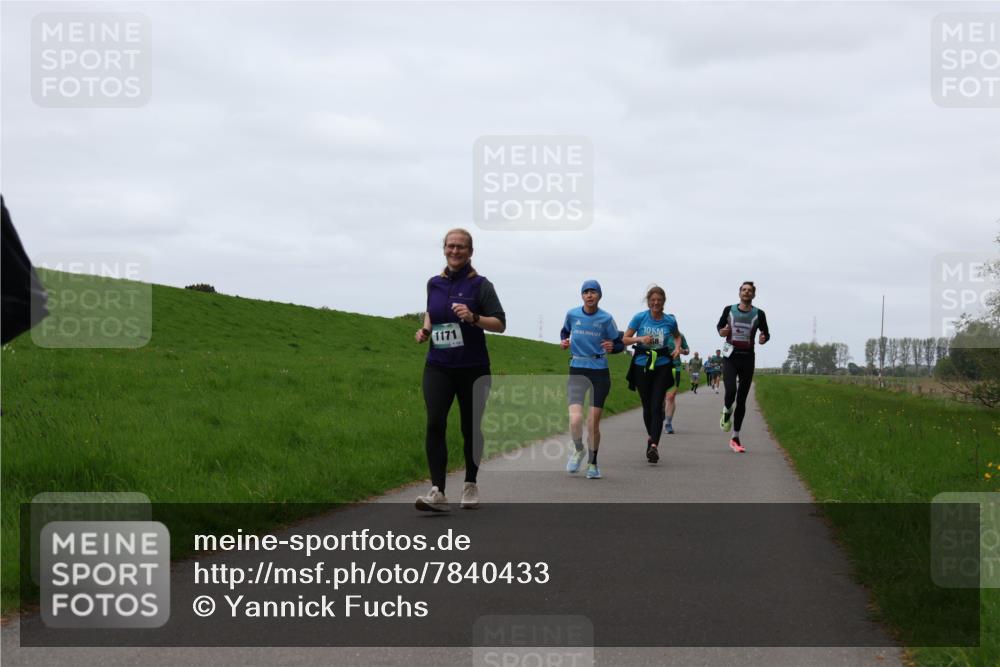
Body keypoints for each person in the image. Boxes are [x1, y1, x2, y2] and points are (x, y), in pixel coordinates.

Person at [414, 229, 506, 511]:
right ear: (444, 249)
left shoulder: (481, 285)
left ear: (470, 252)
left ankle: (470, 483)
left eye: (461, 247)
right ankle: (437, 491)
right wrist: (426, 329)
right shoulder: (434, 283)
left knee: (470, 427)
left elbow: (500, 324)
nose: (455, 251)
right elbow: (432, 311)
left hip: (473, 368)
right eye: (451, 246)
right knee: (435, 422)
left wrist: (474, 317)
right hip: (438, 366)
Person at [559, 280, 623, 480]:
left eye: (593, 292)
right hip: (577, 368)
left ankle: (593, 464)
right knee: (575, 418)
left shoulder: (606, 318)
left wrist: (614, 347)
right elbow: (564, 332)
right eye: (586, 292)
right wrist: (564, 341)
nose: (589, 295)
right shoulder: (572, 314)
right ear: (582, 295)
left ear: (599, 295)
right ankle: (579, 449)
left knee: (592, 422)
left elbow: (619, 342)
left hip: (599, 372)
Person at [623, 286, 682, 464]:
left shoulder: (669, 321)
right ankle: (651, 438)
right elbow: (625, 339)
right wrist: (640, 339)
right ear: (648, 301)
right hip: (642, 365)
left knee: (657, 406)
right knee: (647, 406)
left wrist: (677, 348)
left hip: (662, 365)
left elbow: (677, 336)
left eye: (659, 300)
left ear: (664, 301)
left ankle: (654, 445)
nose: (656, 303)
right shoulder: (640, 317)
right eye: (653, 300)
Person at [717, 281, 770, 453]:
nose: (746, 292)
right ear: (739, 293)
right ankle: (726, 411)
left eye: (750, 291)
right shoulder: (729, 309)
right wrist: (722, 332)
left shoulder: (759, 314)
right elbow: (719, 327)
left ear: (753, 295)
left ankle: (735, 436)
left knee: (742, 399)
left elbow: (766, 333)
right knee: (730, 391)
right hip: (730, 356)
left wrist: (763, 338)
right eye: (744, 290)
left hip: (748, 358)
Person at [662, 333, 689, 434]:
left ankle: (668, 423)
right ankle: (661, 413)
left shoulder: (680, 336)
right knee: (660, 396)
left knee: (671, 396)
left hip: (676, 368)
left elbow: (687, 350)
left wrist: (682, 351)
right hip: (661, 367)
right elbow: (651, 346)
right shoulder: (661, 334)